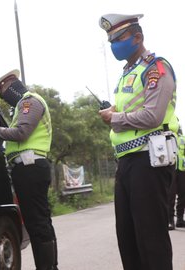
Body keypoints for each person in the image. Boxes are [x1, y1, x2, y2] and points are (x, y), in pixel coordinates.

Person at [98, 13, 179, 270]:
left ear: (138, 37)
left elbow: (153, 115)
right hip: (127, 161)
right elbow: (131, 110)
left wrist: (115, 117)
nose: (114, 45)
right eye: (110, 40)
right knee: (128, 237)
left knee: (150, 238)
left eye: (119, 39)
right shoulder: (127, 74)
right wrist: (114, 112)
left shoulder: (156, 67)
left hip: (150, 160)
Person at [0, 69, 58, 270]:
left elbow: (22, 132)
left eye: (3, 91)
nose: (3, 96)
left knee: (37, 223)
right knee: (40, 221)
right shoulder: (22, 106)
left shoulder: (29, 101)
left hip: (30, 167)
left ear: (10, 85)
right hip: (28, 167)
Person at [169, 130, 185, 229]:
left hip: (182, 170)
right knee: (170, 195)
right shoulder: (168, 137)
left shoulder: (183, 138)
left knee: (183, 195)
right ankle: (170, 221)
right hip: (171, 169)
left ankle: (180, 219)